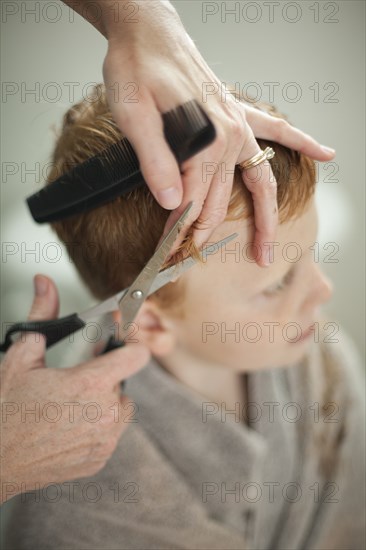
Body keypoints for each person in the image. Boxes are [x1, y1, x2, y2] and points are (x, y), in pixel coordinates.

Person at [1, 0, 336, 503]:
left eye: (309, 256)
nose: (324, 290)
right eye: (277, 282)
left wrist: (138, 17)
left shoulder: (322, 361)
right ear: (151, 323)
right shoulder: (91, 486)